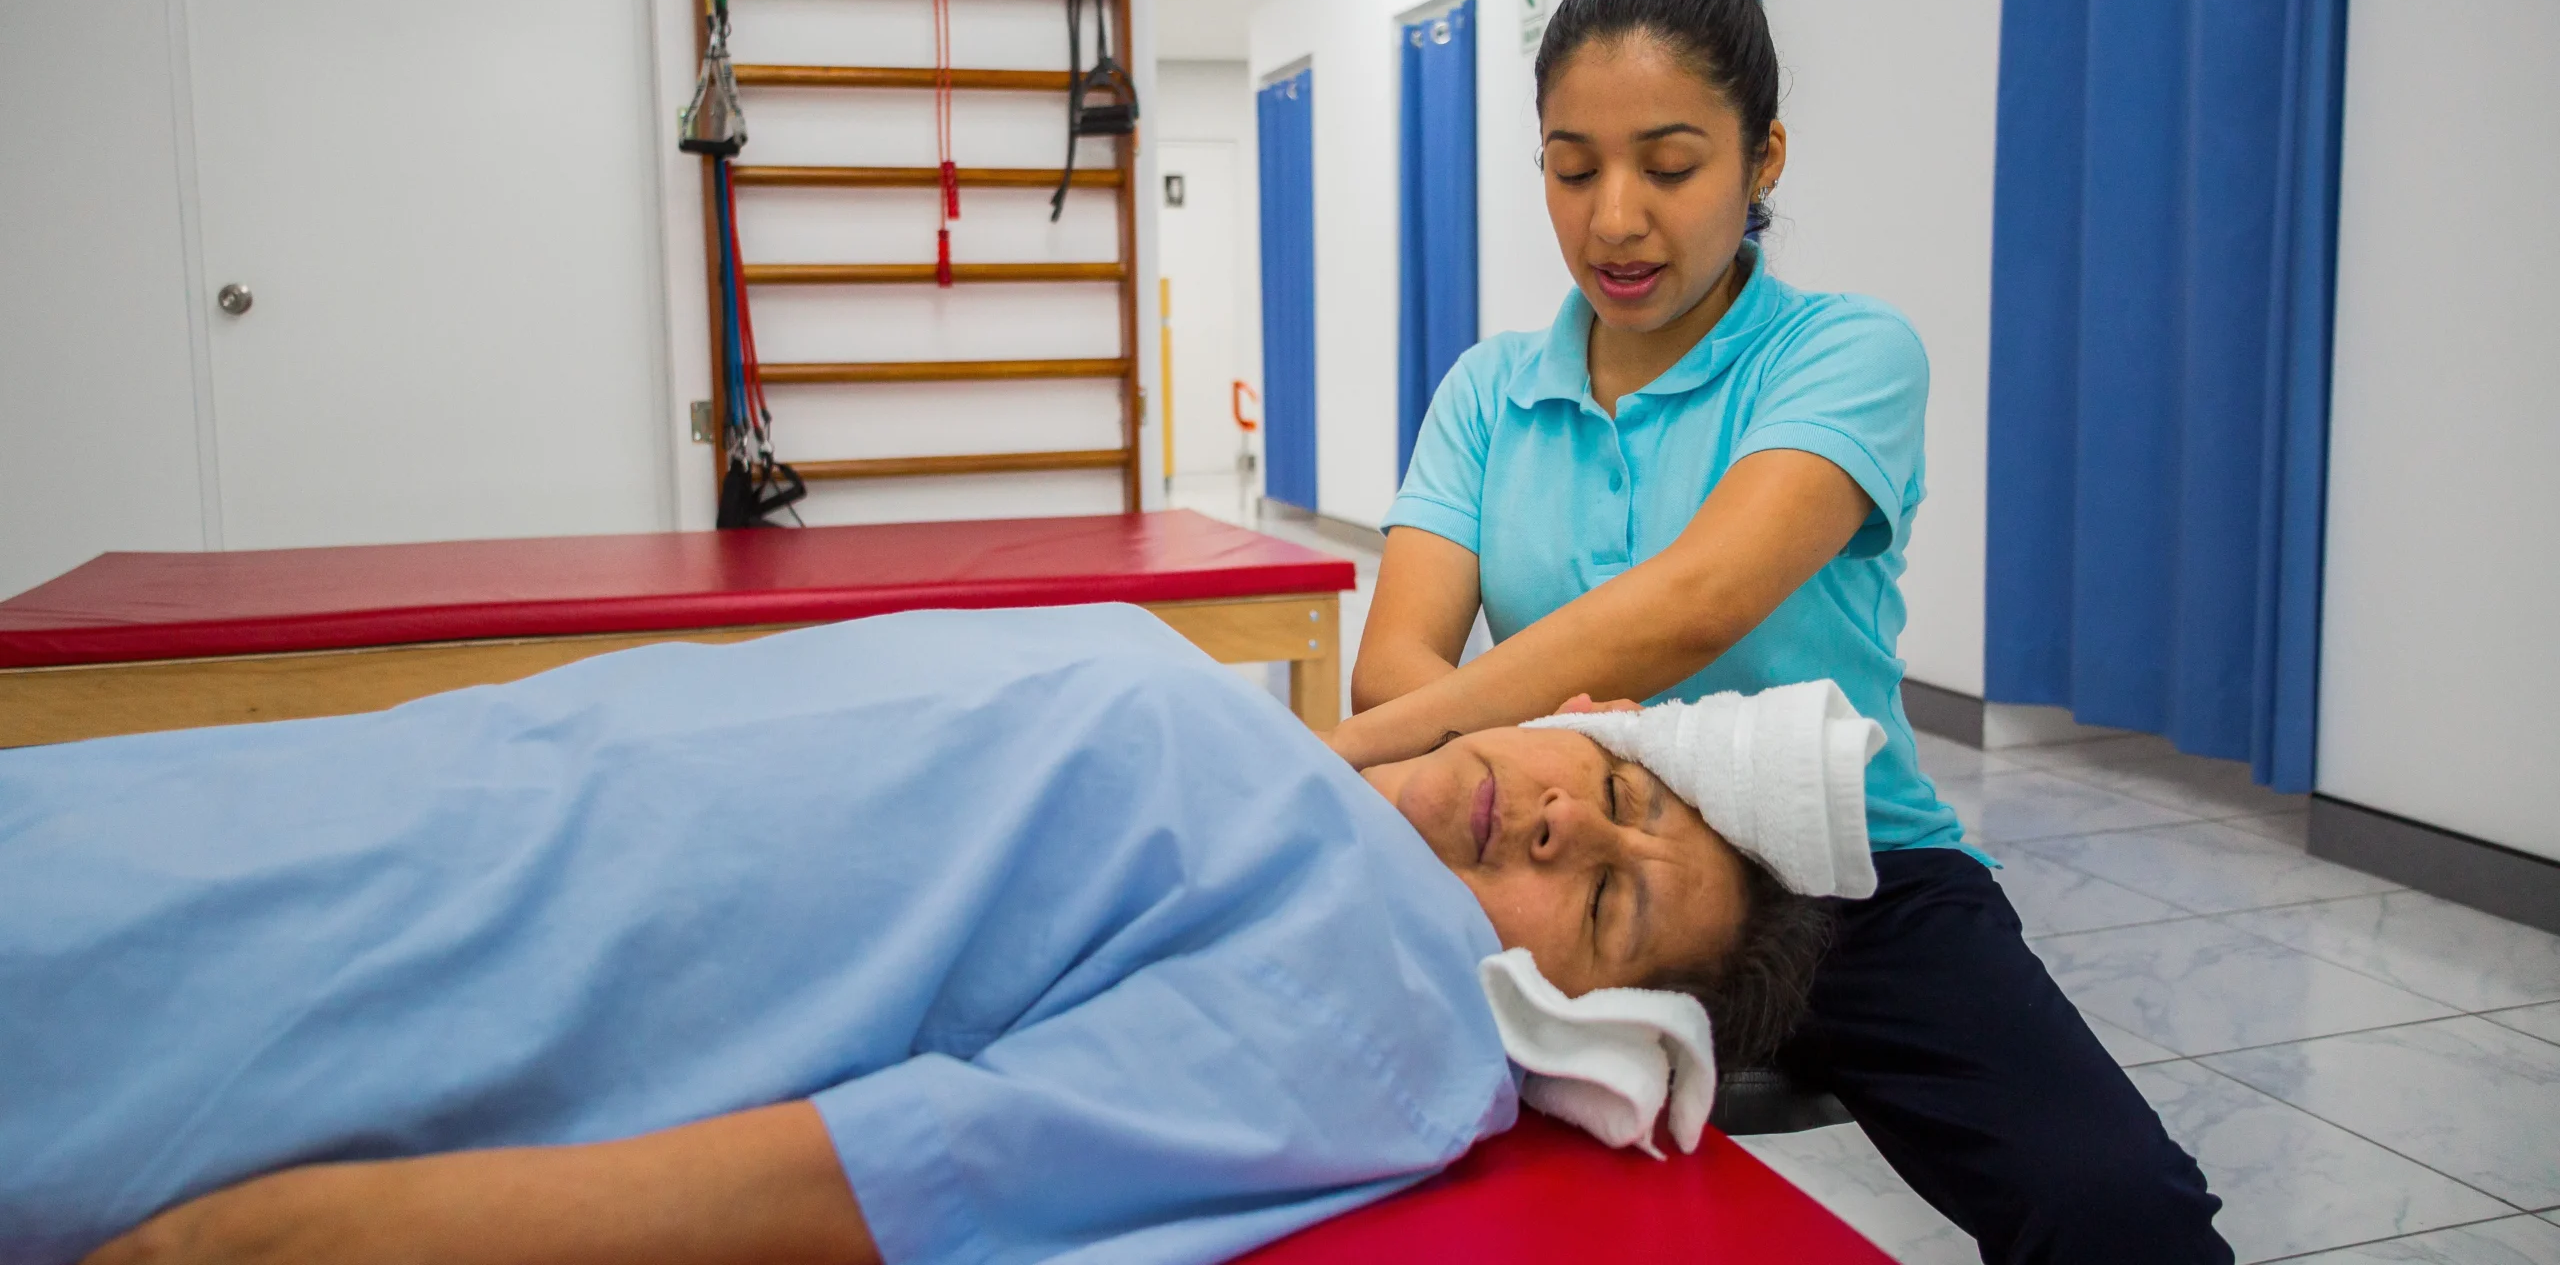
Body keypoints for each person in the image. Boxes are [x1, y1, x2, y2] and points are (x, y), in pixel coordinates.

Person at [2, 604, 1826, 1265]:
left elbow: (895, 1178)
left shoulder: (1388, 1014)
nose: (1572, 822)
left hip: (431, 962)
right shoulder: (1307, 792)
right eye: (1617, 788)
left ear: (1582, 1023)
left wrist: (280, 1240)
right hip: (464, 783)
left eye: (1605, 901)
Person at [1337, 0, 2231, 1264]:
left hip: (1853, 877)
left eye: (1670, 165)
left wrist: (1358, 753)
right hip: (1571, 878)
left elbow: (1694, 602)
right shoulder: (1486, 391)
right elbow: (1394, 663)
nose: (1614, 218)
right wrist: (1492, 764)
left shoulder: (1847, 353)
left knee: (2116, 1210)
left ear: (1762, 160)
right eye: (1572, 169)